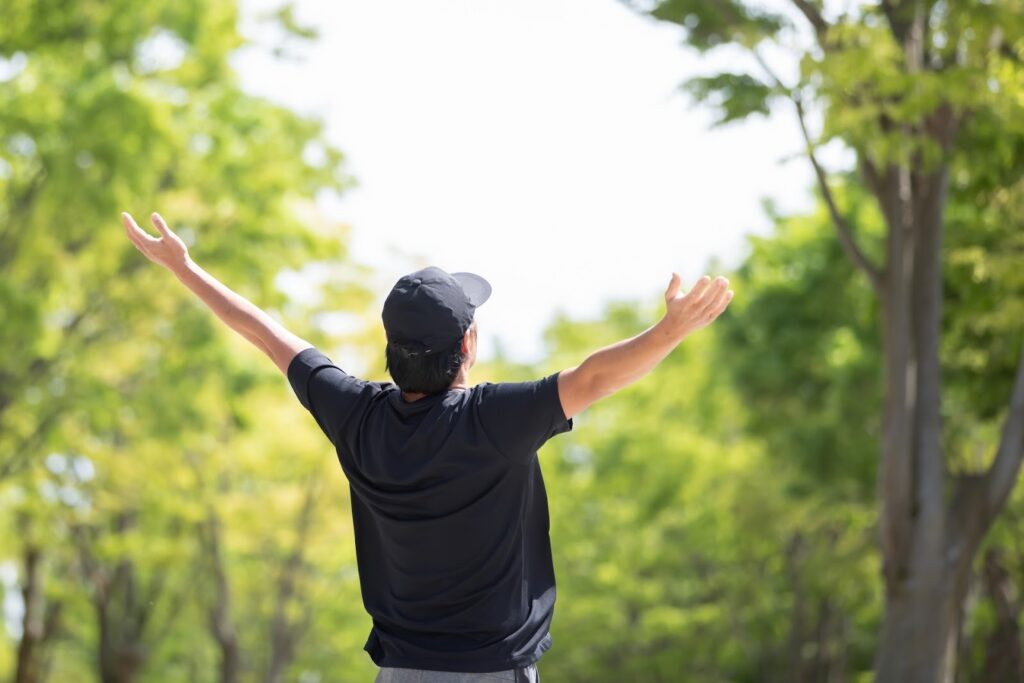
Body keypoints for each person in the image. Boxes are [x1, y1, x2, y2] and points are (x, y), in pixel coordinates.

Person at [121, 211, 735, 682]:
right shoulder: (491, 421)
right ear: (467, 346)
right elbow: (594, 377)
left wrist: (184, 268)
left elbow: (266, 334)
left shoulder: (356, 416)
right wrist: (671, 329)